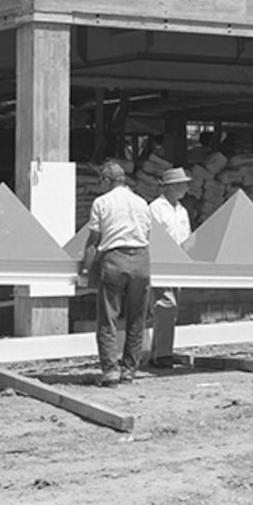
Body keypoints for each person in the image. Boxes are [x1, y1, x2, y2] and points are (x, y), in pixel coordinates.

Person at [79, 161, 152, 386]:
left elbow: (94, 242)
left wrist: (84, 271)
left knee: (108, 318)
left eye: (101, 181)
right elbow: (147, 235)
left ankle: (110, 371)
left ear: (108, 181)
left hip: (114, 260)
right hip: (141, 259)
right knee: (136, 318)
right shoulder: (142, 203)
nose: (99, 185)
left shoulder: (101, 202)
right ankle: (129, 371)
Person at [147, 166, 191, 369]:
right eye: (182, 184)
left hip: (179, 263)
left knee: (170, 311)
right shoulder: (155, 209)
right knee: (166, 305)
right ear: (171, 187)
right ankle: (163, 354)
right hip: (161, 263)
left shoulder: (182, 210)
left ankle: (159, 352)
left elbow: (186, 238)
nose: (186, 188)